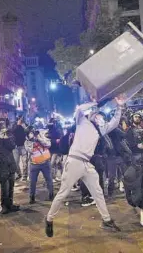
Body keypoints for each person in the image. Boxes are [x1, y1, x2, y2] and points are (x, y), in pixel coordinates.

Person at [45, 97, 125, 237]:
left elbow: (114, 122)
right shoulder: (82, 121)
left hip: (87, 163)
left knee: (98, 192)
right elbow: (79, 109)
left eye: (102, 117)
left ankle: (106, 219)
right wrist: (94, 102)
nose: (101, 118)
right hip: (74, 161)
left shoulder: (100, 130)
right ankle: (49, 219)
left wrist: (119, 107)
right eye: (99, 116)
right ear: (93, 115)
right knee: (63, 193)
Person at [0, 120, 20, 214]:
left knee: (11, 188)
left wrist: (5, 138)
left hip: (10, 167)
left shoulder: (8, 137)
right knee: (4, 188)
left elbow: (12, 146)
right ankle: (4, 206)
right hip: (2, 169)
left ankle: (10, 205)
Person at [24, 126, 54, 204]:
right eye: (30, 133)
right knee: (32, 182)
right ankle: (32, 197)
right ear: (27, 134)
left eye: (32, 132)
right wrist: (32, 141)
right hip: (34, 165)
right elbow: (29, 150)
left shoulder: (41, 137)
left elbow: (48, 144)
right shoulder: (27, 142)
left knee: (49, 180)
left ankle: (51, 195)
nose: (32, 134)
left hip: (45, 163)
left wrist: (39, 139)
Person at [47, 118, 63, 182]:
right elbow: (48, 139)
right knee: (52, 164)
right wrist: (55, 141)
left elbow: (60, 138)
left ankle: (54, 176)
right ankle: (52, 177)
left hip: (56, 150)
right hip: (51, 149)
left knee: (55, 163)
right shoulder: (49, 130)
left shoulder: (58, 129)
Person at [12, 116, 28, 181]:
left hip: (23, 146)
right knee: (15, 162)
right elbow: (12, 131)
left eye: (21, 119)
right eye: (19, 119)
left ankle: (25, 176)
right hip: (16, 147)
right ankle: (19, 174)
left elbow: (28, 132)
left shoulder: (25, 126)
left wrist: (24, 127)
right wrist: (18, 125)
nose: (20, 120)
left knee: (25, 163)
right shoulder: (14, 126)